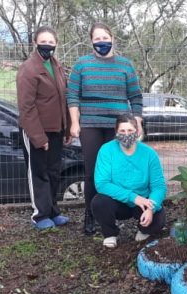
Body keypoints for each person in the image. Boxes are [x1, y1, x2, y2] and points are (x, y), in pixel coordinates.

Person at [67, 22, 144, 235]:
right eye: (97, 39)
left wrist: (137, 121)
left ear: (112, 39)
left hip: (118, 128)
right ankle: (90, 216)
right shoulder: (81, 65)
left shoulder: (125, 65)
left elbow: (136, 97)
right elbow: (72, 96)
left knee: (116, 172)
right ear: (91, 41)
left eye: (105, 38)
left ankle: (111, 216)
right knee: (92, 173)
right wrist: (75, 122)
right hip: (90, 126)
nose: (102, 42)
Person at [16, 26, 72, 230]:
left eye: (51, 42)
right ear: (35, 43)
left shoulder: (57, 66)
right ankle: (39, 215)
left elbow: (63, 99)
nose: (47, 45)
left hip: (56, 129)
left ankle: (53, 211)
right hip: (36, 130)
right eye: (43, 41)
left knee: (54, 172)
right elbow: (26, 107)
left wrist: (66, 129)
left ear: (56, 43)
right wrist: (39, 137)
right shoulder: (28, 69)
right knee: (39, 172)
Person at [91, 114, 166, 248]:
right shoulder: (106, 150)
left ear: (137, 131)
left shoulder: (149, 153)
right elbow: (102, 183)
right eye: (122, 131)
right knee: (99, 202)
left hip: (142, 202)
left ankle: (144, 230)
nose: (126, 135)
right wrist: (133, 197)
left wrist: (151, 209)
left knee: (159, 217)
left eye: (130, 131)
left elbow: (159, 186)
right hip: (118, 201)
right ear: (116, 132)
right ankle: (110, 233)